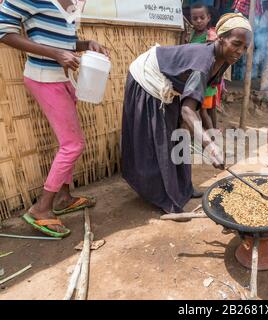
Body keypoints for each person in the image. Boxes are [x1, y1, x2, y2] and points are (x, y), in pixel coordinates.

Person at [121, 13, 252, 215]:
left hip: (173, 86)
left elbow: (199, 104)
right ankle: (167, 201)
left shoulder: (224, 59)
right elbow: (187, 109)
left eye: (244, 47)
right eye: (236, 44)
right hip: (148, 79)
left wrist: (208, 135)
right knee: (162, 141)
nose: (240, 51)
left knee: (180, 134)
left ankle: (184, 188)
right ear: (220, 38)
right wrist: (209, 145)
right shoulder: (203, 63)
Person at [0, 0, 108, 237]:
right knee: (73, 144)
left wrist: (86, 44)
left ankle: (64, 197)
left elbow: (65, 41)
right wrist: (55, 54)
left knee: (69, 143)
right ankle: (41, 208)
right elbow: (4, 31)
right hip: (44, 78)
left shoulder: (73, 3)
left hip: (64, 79)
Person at [189, 2, 221, 130]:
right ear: (190, 19)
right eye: (195, 18)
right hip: (197, 78)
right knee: (207, 110)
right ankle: (212, 134)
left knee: (204, 111)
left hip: (207, 79)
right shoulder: (190, 35)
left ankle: (212, 139)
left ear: (208, 18)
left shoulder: (210, 36)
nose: (198, 21)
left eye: (202, 17)